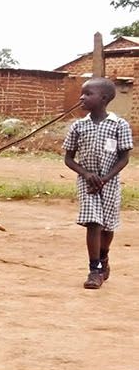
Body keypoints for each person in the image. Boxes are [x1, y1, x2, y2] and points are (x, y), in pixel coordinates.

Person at [63, 77, 132, 289]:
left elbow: (124, 158)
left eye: (87, 94)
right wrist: (85, 173)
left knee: (108, 226)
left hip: (109, 183)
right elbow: (68, 158)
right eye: (81, 94)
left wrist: (105, 178)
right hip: (87, 184)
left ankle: (104, 258)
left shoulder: (119, 125)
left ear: (103, 99)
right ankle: (94, 270)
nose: (82, 98)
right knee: (94, 222)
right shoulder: (78, 126)